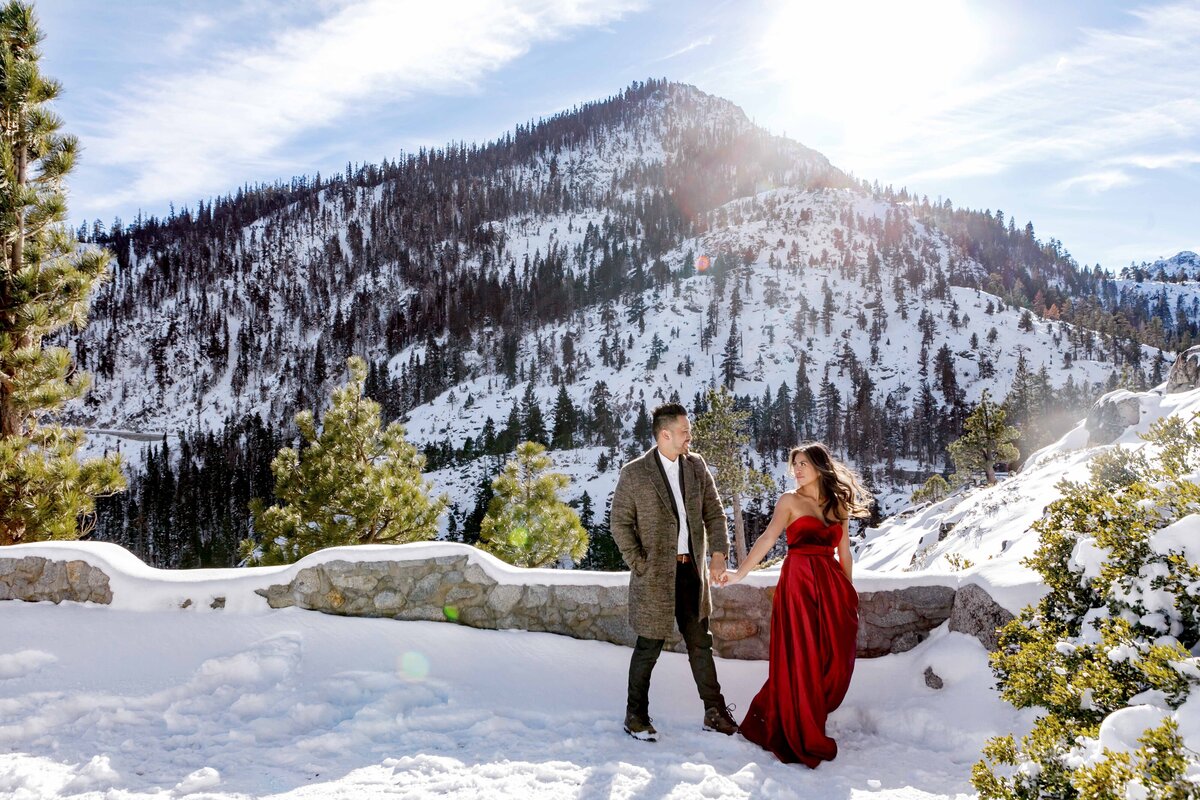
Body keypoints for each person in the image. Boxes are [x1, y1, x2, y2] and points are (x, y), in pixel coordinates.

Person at [723, 442, 870, 766]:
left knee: (833, 655)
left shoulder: (838, 503)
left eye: (803, 463)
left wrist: (848, 594)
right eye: (795, 465)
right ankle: (800, 726)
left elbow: (844, 553)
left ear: (819, 466)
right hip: (798, 583)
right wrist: (739, 574)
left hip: (831, 584)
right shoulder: (789, 501)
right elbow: (767, 539)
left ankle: (810, 712)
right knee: (802, 655)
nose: (797, 470)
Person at [609, 402, 740, 741]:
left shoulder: (696, 466)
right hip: (654, 576)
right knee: (648, 646)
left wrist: (718, 555)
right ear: (665, 434)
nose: (689, 437)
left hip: (691, 576)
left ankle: (714, 712)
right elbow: (620, 523)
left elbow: (715, 513)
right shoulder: (635, 472)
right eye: (684, 432)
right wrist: (640, 563)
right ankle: (635, 716)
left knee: (700, 644)